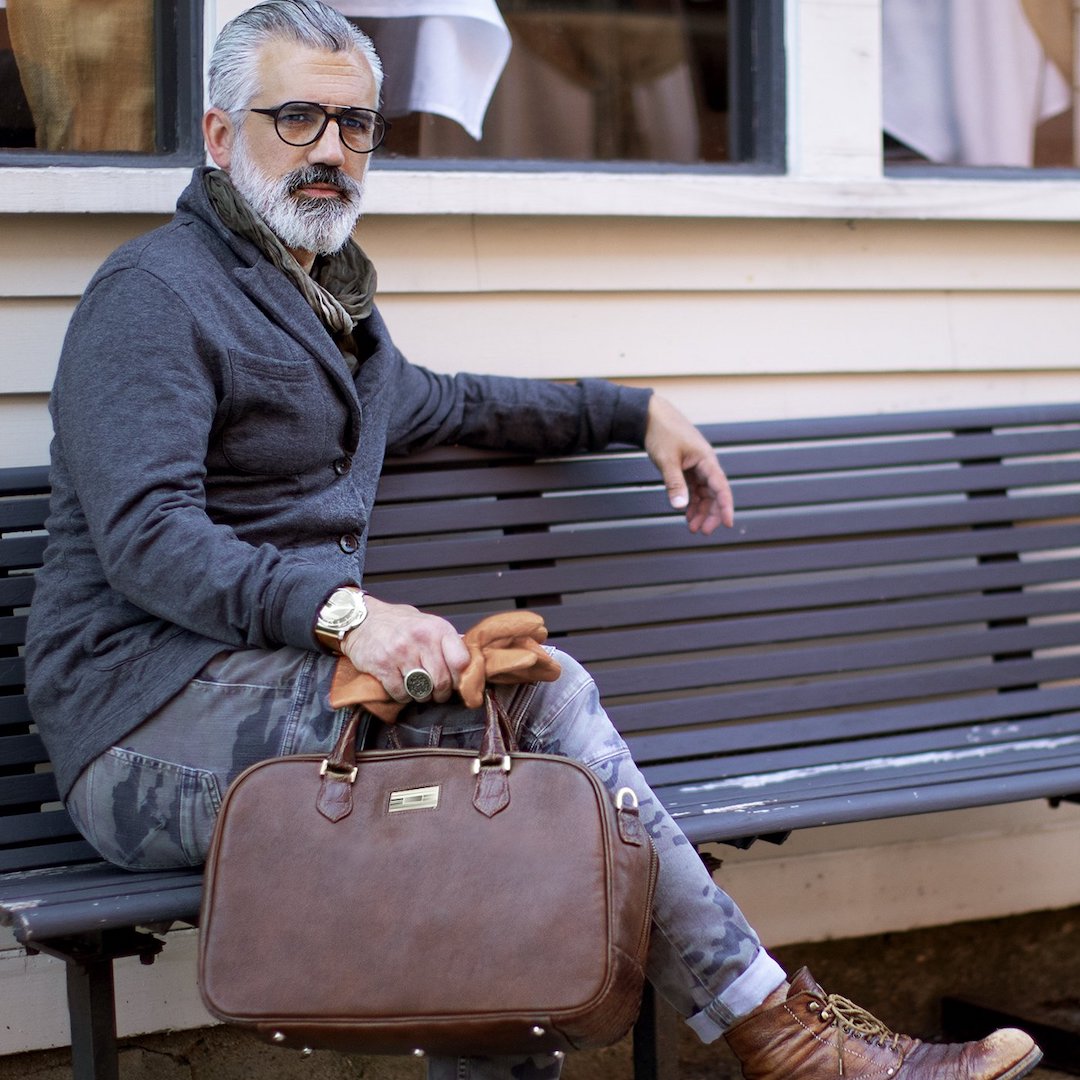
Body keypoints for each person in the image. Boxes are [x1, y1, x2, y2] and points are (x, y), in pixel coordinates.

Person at [24, 3, 1043, 1079]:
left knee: (494, 791)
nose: (331, 149)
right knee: (535, 708)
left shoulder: (334, 316)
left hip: (278, 701)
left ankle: (768, 1037)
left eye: (356, 124)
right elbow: (150, 536)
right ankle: (781, 1033)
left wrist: (627, 411)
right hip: (140, 727)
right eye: (297, 119)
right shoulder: (153, 297)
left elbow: (458, 403)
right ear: (223, 137)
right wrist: (349, 617)